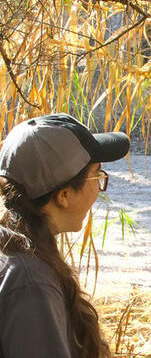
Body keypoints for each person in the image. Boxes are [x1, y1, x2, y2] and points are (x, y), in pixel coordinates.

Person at [0, 113, 130, 358]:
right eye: (97, 175)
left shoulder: (16, 250)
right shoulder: (31, 282)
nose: (98, 188)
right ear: (64, 195)